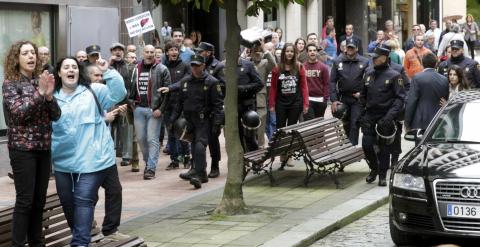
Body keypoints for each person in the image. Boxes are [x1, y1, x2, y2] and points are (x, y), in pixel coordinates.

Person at [51, 56, 126, 246]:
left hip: (90, 160)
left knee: (83, 200)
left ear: (79, 72)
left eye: (74, 67)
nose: (71, 70)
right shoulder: (51, 97)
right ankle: (81, 235)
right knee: (68, 204)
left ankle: (80, 242)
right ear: (59, 72)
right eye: (66, 67)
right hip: (62, 162)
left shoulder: (94, 90)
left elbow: (119, 93)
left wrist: (107, 71)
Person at [2, 40, 60, 247]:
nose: (31, 56)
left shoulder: (40, 81)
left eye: (33, 53)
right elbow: (18, 114)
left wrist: (50, 97)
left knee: (39, 201)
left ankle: (37, 242)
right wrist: (40, 95)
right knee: (25, 201)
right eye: (25, 53)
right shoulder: (10, 83)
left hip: (43, 148)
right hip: (22, 150)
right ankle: (18, 244)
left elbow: (56, 115)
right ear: (16, 59)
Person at [171, 54, 223, 189]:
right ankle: (200, 172)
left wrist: (217, 124)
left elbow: (218, 105)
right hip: (189, 120)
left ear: (204, 66)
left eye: (197, 65)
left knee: (200, 146)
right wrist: (173, 120)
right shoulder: (185, 82)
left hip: (204, 120)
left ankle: (198, 174)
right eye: (192, 65)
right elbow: (179, 103)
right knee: (194, 146)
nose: (194, 68)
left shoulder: (212, 82)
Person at [359, 45, 406, 186]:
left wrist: (389, 117)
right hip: (370, 115)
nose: (373, 59)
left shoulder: (394, 75)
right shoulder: (368, 73)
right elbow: (363, 95)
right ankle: (374, 168)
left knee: (384, 148)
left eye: (376, 57)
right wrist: (362, 113)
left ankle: (382, 175)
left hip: (385, 117)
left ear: (384, 58)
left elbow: (400, 98)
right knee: (367, 145)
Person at [130, 45, 171, 179]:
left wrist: (161, 109)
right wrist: (131, 103)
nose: (149, 54)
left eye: (152, 52)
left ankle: (151, 168)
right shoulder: (136, 68)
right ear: (142, 53)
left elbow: (167, 92)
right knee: (141, 139)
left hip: (154, 109)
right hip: (138, 109)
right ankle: (148, 163)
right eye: (147, 52)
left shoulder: (162, 69)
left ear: (155, 54)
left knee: (152, 139)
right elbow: (130, 86)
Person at [329, 38, 369, 145]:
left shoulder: (365, 62)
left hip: (357, 98)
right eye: (348, 47)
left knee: (355, 123)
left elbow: (369, 80)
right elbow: (332, 81)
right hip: (343, 98)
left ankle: (353, 147)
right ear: (345, 48)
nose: (350, 49)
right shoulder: (337, 61)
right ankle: (346, 146)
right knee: (345, 122)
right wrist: (334, 99)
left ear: (356, 48)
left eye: (352, 47)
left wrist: (362, 94)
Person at [195, 42, 226, 177]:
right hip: (200, 108)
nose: (198, 54)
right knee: (199, 140)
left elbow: (223, 87)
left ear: (208, 53)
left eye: (201, 52)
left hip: (213, 109)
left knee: (213, 139)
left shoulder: (218, 66)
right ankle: (198, 167)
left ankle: (215, 165)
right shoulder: (197, 64)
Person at [109, 42, 140, 172]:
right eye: (115, 50)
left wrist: (130, 101)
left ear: (124, 53)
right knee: (108, 132)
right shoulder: (107, 66)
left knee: (129, 132)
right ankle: (109, 158)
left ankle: (134, 160)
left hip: (125, 103)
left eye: (120, 50)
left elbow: (133, 85)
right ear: (111, 52)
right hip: (109, 104)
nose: (118, 52)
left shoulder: (129, 67)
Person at [162, 41, 191, 170]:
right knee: (171, 133)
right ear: (167, 52)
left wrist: (170, 88)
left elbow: (185, 81)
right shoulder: (162, 67)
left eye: (176, 50)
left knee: (182, 131)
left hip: (181, 105)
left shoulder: (185, 66)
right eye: (171, 50)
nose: (174, 52)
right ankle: (174, 160)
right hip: (167, 105)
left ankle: (186, 158)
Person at [405, 52, 448, 133]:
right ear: (436, 64)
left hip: (420, 122)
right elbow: (445, 100)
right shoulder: (444, 79)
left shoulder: (417, 78)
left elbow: (411, 101)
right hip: (439, 120)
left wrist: (407, 122)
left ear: (422, 63)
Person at [269, 43, 309, 130]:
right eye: (287, 51)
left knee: (292, 128)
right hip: (281, 104)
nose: (289, 53)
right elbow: (273, 87)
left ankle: (290, 143)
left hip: (295, 103)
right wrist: (271, 104)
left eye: (291, 51)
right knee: (280, 129)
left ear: (294, 53)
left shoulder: (299, 67)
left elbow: (304, 87)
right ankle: (281, 144)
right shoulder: (277, 68)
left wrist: (306, 104)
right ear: (284, 53)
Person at [249, 41, 276, 147]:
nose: (257, 53)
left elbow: (274, 64)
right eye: (255, 51)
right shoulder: (247, 63)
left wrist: (265, 49)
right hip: (249, 101)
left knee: (260, 130)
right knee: (250, 131)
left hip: (261, 100)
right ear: (250, 52)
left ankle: (260, 150)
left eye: (259, 52)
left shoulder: (264, 63)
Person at [303, 43, 329, 119]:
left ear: (317, 52)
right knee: (309, 124)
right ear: (307, 53)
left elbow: (326, 84)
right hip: (307, 99)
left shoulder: (323, 67)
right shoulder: (302, 67)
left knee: (319, 125)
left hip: (320, 100)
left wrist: (325, 99)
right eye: (310, 51)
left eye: (314, 50)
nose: (312, 52)